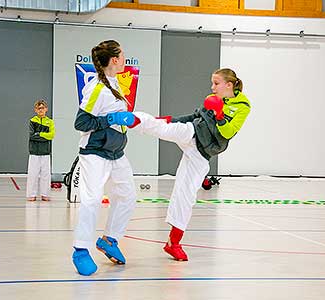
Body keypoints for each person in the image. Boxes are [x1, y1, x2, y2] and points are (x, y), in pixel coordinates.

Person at [130, 68, 251, 261]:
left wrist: (219, 114)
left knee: (186, 195)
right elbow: (193, 118)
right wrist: (169, 119)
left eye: (216, 83)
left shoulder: (243, 106)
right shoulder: (211, 98)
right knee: (169, 128)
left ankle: (173, 243)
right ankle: (131, 119)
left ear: (229, 85)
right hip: (193, 133)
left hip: (203, 152)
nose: (212, 87)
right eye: (212, 83)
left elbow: (227, 133)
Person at [71, 40, 138, 276]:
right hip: (95, 153)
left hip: (116, 152)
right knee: (92, 199)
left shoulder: (115, 84)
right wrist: (110, 120)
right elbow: (81, 123)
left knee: (128, 196)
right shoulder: (97, 87)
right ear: (115, 60)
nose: (125, 59)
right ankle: (80, 250)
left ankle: (110, 240)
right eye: (122, 55)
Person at [26, 99, 55, 202]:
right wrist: (43, 136)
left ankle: (45, 194)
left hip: (46, 153)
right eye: (39, 108)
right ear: (35, 110)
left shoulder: (50, 122)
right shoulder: (32, 121)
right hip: (34, 153)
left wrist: (39, 134)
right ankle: (31, 195)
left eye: (42, 108)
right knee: (32, 174)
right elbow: (32, 136)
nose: (41, 110)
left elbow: (51, 135)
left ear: (46, 109)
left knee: (46, 175)